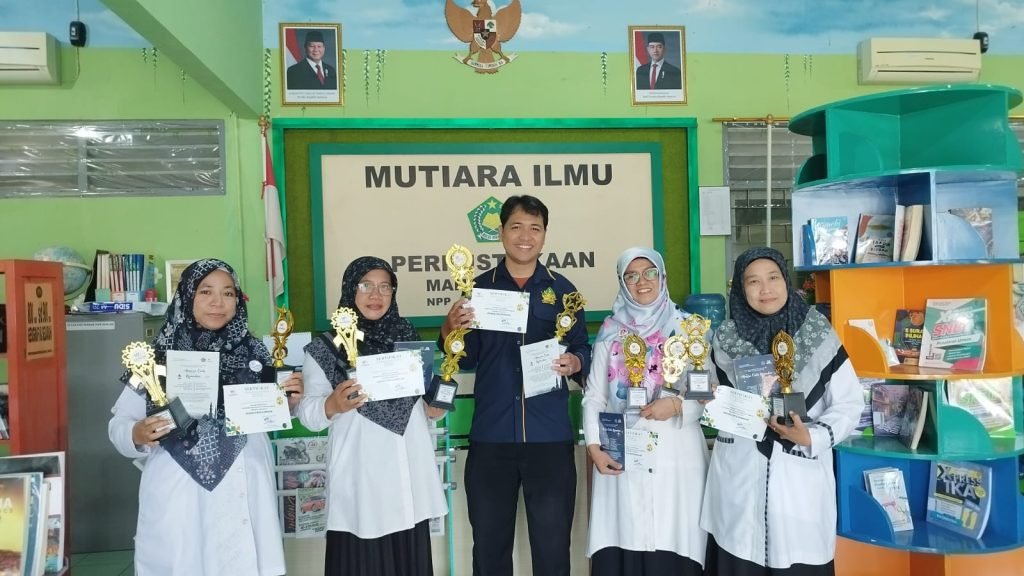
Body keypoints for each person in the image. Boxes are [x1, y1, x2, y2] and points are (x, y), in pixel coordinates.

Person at [109, 258, 304, 575]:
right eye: (206, 291)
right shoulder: (155, 358)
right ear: (187, 296)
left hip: (246, 483)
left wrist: (290, 402)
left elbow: (269, 411)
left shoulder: (256, 352)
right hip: (180, 492)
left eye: (228, 293)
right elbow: (119, 425)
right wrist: (137, 434)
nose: (218, 302)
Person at [440, 194, 592, 576]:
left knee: (553, 548)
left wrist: (576, 362)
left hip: (549, 438)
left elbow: (582, 349)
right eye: (517, 227)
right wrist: (450, 330)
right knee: (490, 549)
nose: (526, 237)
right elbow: (466, 358)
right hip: (492, 437)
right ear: (501, 232)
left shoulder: (564, 292)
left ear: (545, 235)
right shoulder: (478, 290)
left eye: (535, 228)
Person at [700, 247, 864, 575]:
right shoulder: (724, 338)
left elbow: (850, 403)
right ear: (740, 289)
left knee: (796, 560)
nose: (765, 289)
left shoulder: (817, 333)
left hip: (798, 481)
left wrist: (812, 437)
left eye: (773, 277)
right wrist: (707, 396)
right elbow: (704, 390)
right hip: (739, 479)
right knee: (738, 559)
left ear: (786, 281)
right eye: (753, 281)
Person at [297, 256, 447, 576]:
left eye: (384, 287)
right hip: (360, 480)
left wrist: (433, 410)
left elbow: (418, 403)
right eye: (366, 286)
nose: (375, 295)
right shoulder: (326, 347)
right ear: (350, 289)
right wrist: (332, 405)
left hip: (408, 476)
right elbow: (308, 413)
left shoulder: (407, 337)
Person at [582, 247, 708, 576]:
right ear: (622, 283)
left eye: (650, 272)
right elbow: (594, 396)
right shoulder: (610, 331)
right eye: (632, 276)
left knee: (674, 540)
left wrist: (677, 405)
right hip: (622, 451)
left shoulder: (689, 328)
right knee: (624, 541)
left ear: (663, 276)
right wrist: (594, 447)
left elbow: (707, 392)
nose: (642, 282)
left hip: (676, 452)